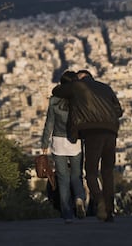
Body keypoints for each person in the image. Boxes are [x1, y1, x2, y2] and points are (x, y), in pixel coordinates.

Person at [52, 69, 123, 222]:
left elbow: (56, 90)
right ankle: (109, 211)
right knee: (108, 172)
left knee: (90, 172)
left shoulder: (78, 86)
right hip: (111, 131)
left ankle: (100, 201)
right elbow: (119, 110)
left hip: (93, 132)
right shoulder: (106, 87)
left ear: (80, 78)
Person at [41, 71, 86, 224]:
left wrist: (44, 144)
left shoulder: (54, 100)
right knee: (76, 175)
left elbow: (49, 123)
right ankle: (79, 198)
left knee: (63, 179)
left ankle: (67, 214)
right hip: (75, 141)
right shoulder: (79, 99)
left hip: (58, 142)